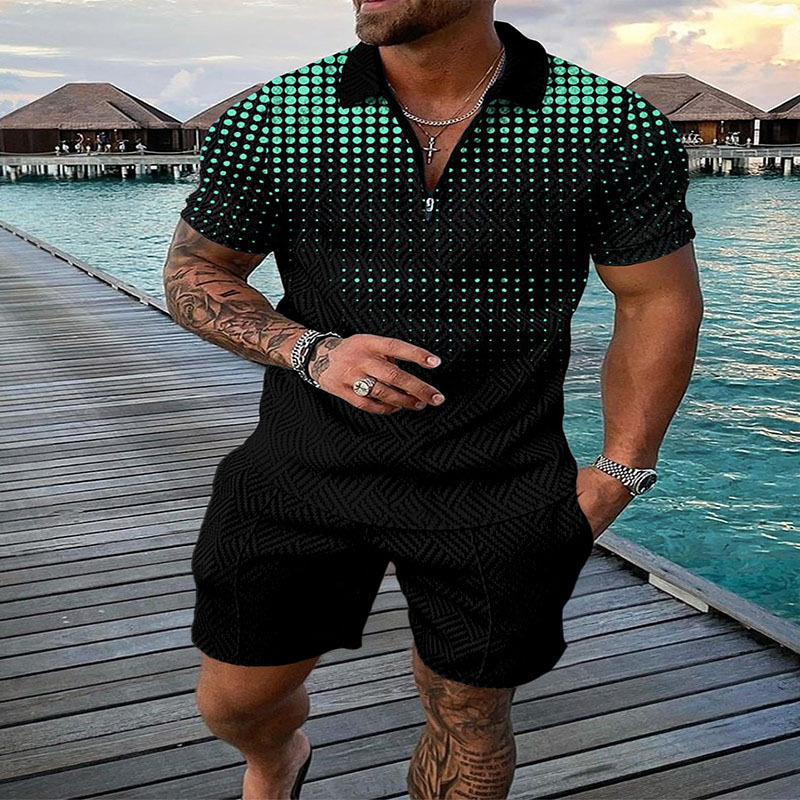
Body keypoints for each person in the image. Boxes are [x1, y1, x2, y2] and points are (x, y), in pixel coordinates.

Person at [165, 1, 702, 798]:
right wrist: (310, 351)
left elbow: (655, 297)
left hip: (498, 477)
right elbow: (195, 270)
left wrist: (622, 468)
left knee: (471, 720)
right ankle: (276, 758)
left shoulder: (602, 120)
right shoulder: (280, 113)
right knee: (235, 702)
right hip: (301, 464)